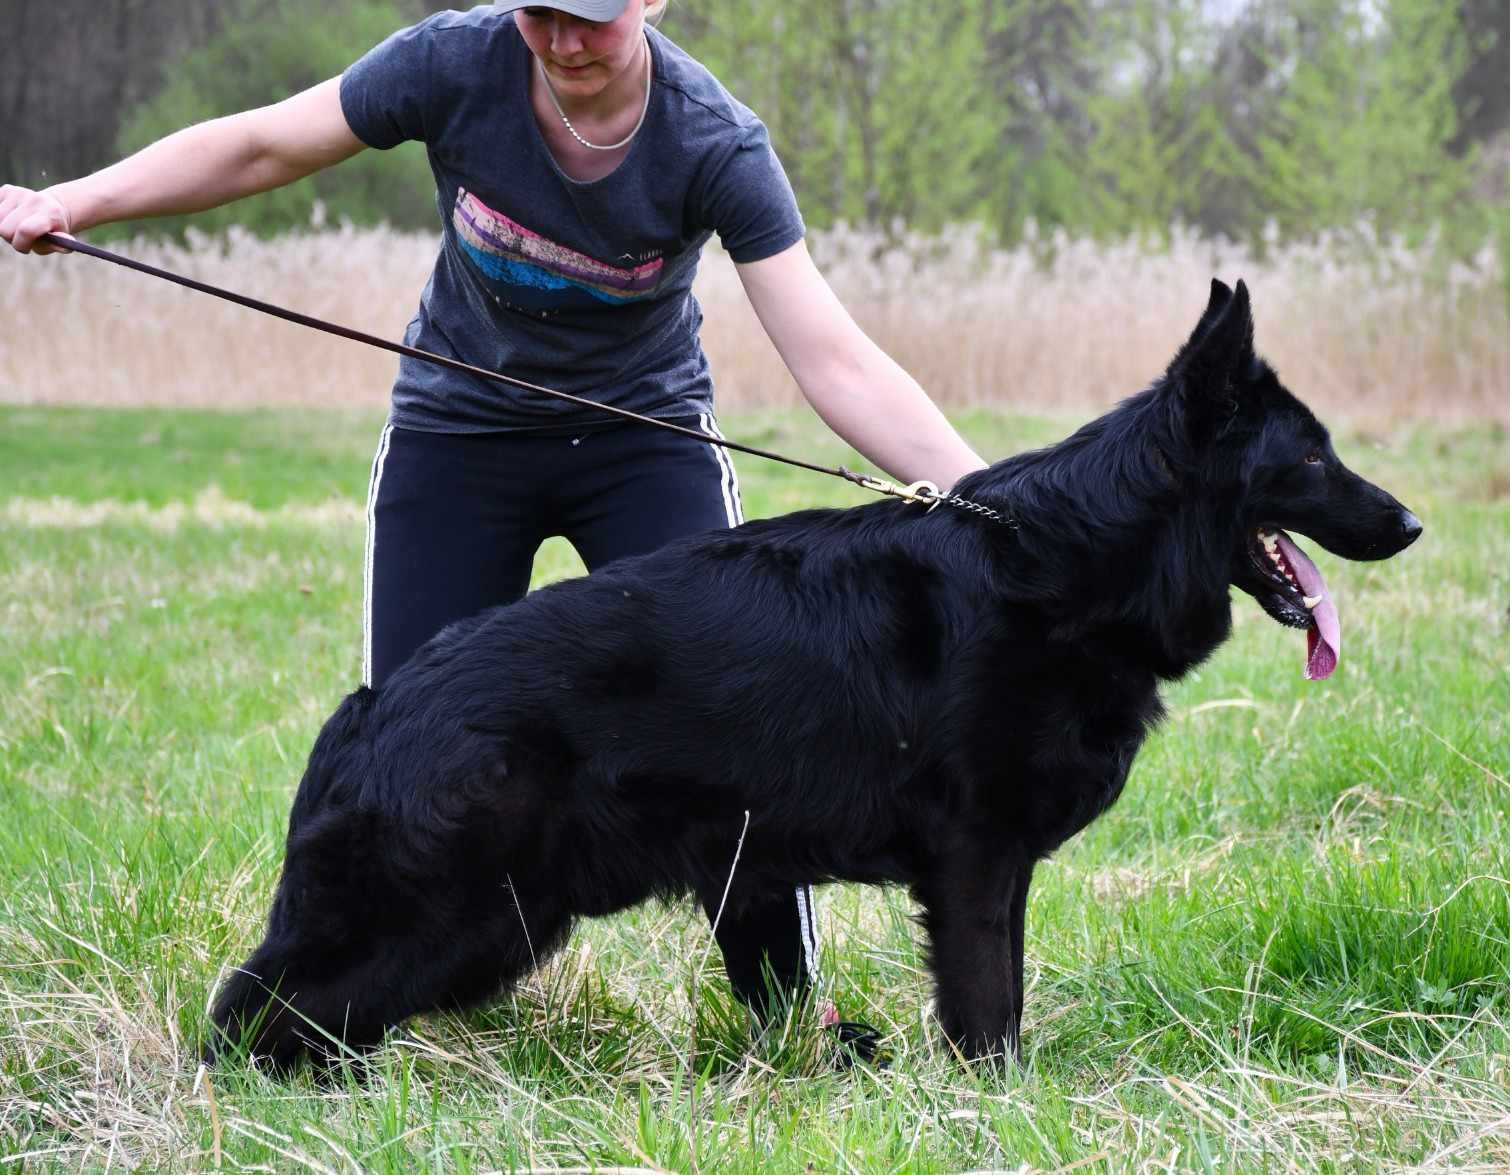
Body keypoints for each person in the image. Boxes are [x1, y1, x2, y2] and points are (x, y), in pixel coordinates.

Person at [0, 0, 985, 1056]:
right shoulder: (451, 65)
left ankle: (791, 1017)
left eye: (593, 22)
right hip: (457, 439)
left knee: (735, 737)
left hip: (640, 445)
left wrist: (989, 492)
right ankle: (345, 1003)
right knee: (420, 745)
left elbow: (831, 356)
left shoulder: (712, 141)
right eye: (542, 14)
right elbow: (262, 142)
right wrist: (77, 198)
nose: (564, 42)